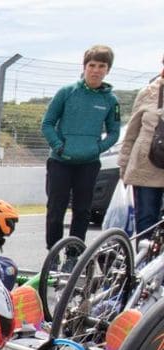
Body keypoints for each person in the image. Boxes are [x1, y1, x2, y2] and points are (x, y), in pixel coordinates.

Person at [42, 44, 121, 251]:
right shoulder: (66, 92)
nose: (96, 70)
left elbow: (114, 132)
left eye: (101, 66)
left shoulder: (111, 100)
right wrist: (58, 146)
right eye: (92, 65)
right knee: (55, 209)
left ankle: (74, 255)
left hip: (89, 163)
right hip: (60, 162)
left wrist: (97, 148)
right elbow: (47, 123)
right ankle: (53, 251)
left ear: (108, 70)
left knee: (83, 210)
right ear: (84, 66)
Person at [117, 54, 164, 232]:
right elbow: (131, 133)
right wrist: (123, 165)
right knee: (146, 221)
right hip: (146, 167)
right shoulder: (149, 92)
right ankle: (144, 259)